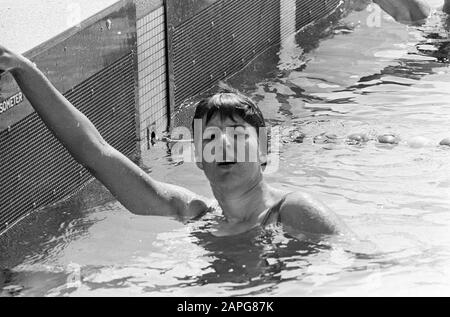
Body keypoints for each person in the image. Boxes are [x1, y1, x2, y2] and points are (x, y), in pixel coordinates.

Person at [0, 45, 351, 238]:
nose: (224, 145)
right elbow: (95, 153)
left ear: (264, 149)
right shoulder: (195, 215)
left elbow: (362, 265)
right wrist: (22, 68)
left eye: (237, 136)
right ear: (198, 156)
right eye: (211, 138)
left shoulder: (291, 212)